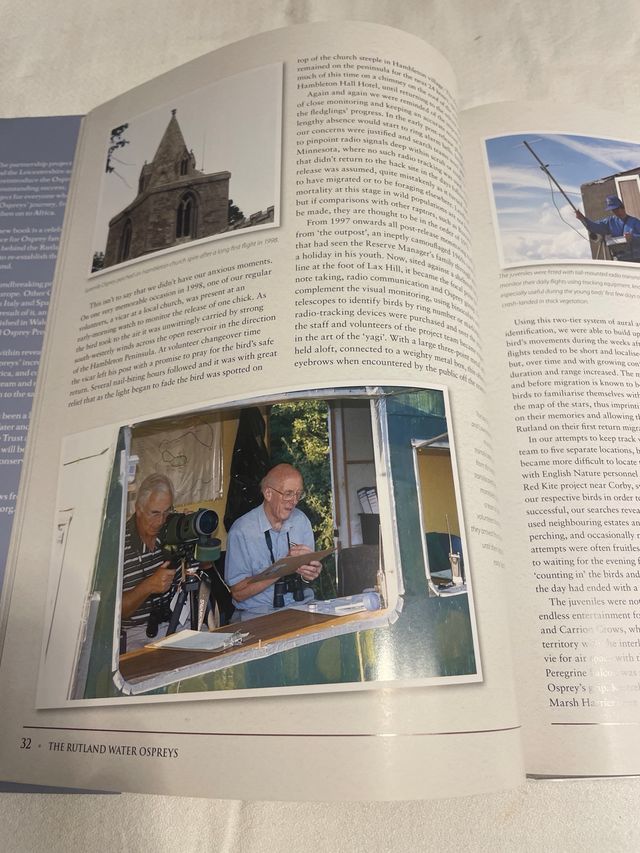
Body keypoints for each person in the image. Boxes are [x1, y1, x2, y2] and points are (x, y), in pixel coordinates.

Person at [225, 463, 322, 620]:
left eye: (298, 494)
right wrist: (282, 568)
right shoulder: (241, 530)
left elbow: (307, 577)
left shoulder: (301, 521)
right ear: (268, 493)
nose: (294, 501)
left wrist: (310, 573)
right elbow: (238, 593)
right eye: (288, 493)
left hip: (301, 606)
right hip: (257, 614)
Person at [121, 473, 178, 651]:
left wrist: (191, 535)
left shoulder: (171, 531)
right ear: (138, 509)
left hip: (175, 622)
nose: (161, 521)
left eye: (166, 512)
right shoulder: (119, 545)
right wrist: (148, 586)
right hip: (135, 633)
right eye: (154, 513)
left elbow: (206, 566)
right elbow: (116, 612)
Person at [575, 195, 640, 258]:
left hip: (636, 258)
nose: (615, 212)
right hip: (620, 259)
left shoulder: (635, 222)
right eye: (613, 210)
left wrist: (632, 237)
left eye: (616, 209)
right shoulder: (610, 222)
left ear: (622, 207)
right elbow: (595, 227)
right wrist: (583, 219)